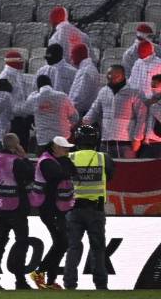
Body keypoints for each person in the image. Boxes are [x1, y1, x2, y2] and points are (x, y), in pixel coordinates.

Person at [64, 124, 113, 290]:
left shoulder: (69, 158)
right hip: (96, 210)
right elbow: (111, 176)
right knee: (98, 248)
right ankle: (101, 284)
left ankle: (69, 283)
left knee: (73, 247)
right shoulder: (103, 158)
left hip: (73, 210)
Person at [0, 132, 34, 291]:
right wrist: (25, 157)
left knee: (0, 242)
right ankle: (20, 280)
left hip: (0, 208)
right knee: (22, 242)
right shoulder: (16, 162)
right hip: (16, 208)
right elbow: (31, 174)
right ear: (15, 146)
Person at [28, 136, 76, 290]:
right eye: (64, 148)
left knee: (60, 244)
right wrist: (66, 168)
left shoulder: (58, 160)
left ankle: (49, 281)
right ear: (54, 148)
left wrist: (66, 168)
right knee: (62, 243)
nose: (67, 151)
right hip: (49, 209)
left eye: (68, 148)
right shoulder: (46, 161)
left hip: (58, 209)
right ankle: (40, 273)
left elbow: (71, 172)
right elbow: (59, 175)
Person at [84, 64, 146, 158]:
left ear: (123, 75)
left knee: (127, 170)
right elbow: (94, 110)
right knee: (106, 170)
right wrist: (85, 120)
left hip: (126, 142)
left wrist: (137, 138)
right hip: (105, 141)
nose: (110, 77)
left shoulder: (134, 91)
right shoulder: (103, 91)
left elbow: (142, 116)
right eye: (109, 74)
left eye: (115, 75)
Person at [26, 74, 80, 150]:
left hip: (43, 141)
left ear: (37, 87)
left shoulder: (33, 99)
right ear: (51, 84)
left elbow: (26, 110)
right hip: (62, 140)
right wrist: (68, 126)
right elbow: (75, 117)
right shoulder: (62, 97)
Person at [0, 49, 36, 150]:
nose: (22, 64)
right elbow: (8, 103)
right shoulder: (4, 78)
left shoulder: (18, 74)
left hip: (22, 118)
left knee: (23, 146)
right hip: (13, 120)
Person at [69, 43, 100, 117]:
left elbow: (79, 98)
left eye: (72, 55)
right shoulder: (90, 68)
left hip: (82, 114)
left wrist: (68, 111)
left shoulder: (84, 72)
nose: (71, 58)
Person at [142, 73, 161, 158]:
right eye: (151, 86)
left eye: (155, 86)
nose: (152, 89)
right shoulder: (149, 98)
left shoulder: (153, 103)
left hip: (158, 142)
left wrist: (154, 105)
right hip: (146, 142)